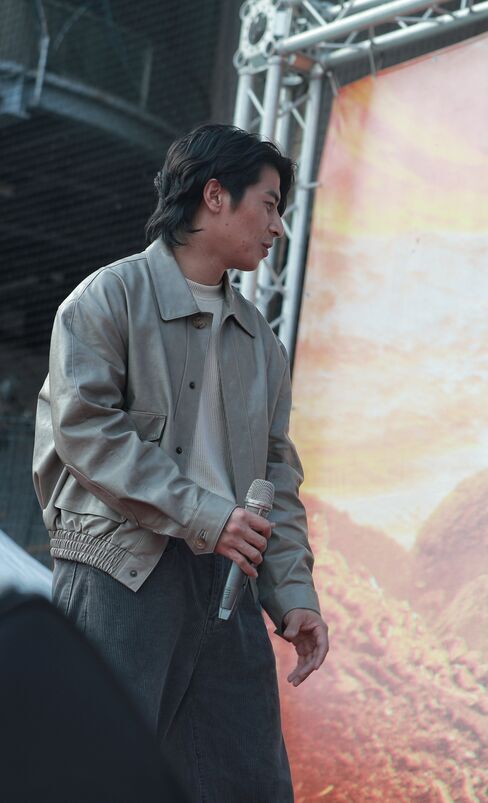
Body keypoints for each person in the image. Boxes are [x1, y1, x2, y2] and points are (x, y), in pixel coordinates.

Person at [33, 124, 329, 801]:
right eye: (270, 204)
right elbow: (87, 432)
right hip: (118, 571)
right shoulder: (107, 298)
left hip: (228, 585)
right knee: (96, 778)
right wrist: (207, 515)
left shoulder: (263, 346)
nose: (278, 227)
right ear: (215, 195)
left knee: (249, 784)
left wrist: (293, 597)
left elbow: (277, 480)